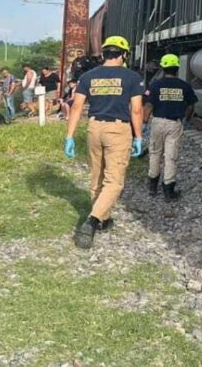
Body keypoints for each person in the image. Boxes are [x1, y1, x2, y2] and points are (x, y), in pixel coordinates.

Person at [64, 36, 144, 249]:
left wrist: (70, 136)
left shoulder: (89, 76)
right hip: (118, 130)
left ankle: (104, 219)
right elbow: (136, 109)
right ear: (123, 54)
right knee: (114, 181)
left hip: (94, 128)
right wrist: (139, 137)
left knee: (97, 176)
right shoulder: (131, 77)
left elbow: (76, 106)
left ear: (105, 53)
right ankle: (91, 222)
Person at [143, 54, 197, 201]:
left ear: (163, 67)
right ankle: (169, 192)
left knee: (155, 153)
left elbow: (148, 105)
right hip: (175, 123)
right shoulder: (184, 86)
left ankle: (152, 187)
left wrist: (144, 122)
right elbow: (191, 105)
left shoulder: (155, 85)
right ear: (177, 68)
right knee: (171, 157)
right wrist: (185, 119)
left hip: (158, 122)